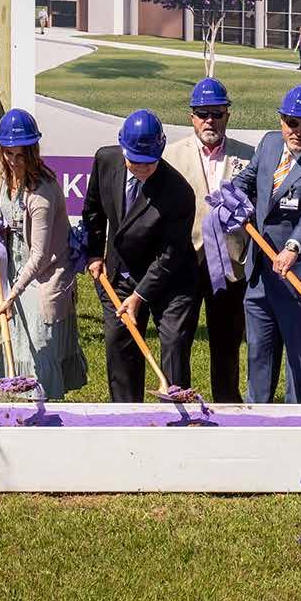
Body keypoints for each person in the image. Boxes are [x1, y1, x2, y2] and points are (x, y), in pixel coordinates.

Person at [232, 86, 301, 403]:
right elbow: (248, 179)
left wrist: (293, 247)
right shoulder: (269, 143)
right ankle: (257, 421)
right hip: (260, 276)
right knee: (258, 359)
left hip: (300, 280)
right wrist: (231, 195)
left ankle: (300, 424)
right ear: (281, 120)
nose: (298, 131)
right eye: (292, 122)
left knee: (300, 369)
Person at [83, 109, 197, 402]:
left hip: (170, 281)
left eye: (150, 161)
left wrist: (139, 296)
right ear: (123, 149)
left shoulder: (179, 192)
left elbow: (169, 256)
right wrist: (94, 253)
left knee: (174, 343)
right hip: (121, 274)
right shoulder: (105, 160)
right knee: (119, 343)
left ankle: (175, 410)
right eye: (136, 161)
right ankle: (126, 415)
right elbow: (93, 210)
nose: (143, 168)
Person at [162, 78, 255, 402]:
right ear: (192, 117)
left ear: (227, 115)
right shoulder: (171, 156)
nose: (209, 121)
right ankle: (177, 402)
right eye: (203, 114)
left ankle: (227, 405)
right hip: (184, 264)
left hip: (230, 267)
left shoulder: (249, 157)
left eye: (217, 113)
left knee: (227, 343)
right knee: (176, 339)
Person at [0, 108, 87, 399]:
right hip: (16, 272)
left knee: (39, 347)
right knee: (17, 342)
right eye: (8, 153)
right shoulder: (6, 179)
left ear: (32, 152)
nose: (13, 160)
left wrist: (13, 294)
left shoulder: (42, 192)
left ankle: (44, 409)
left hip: (44, 278)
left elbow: (40, 256)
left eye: (20, 155)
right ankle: (18, 407)